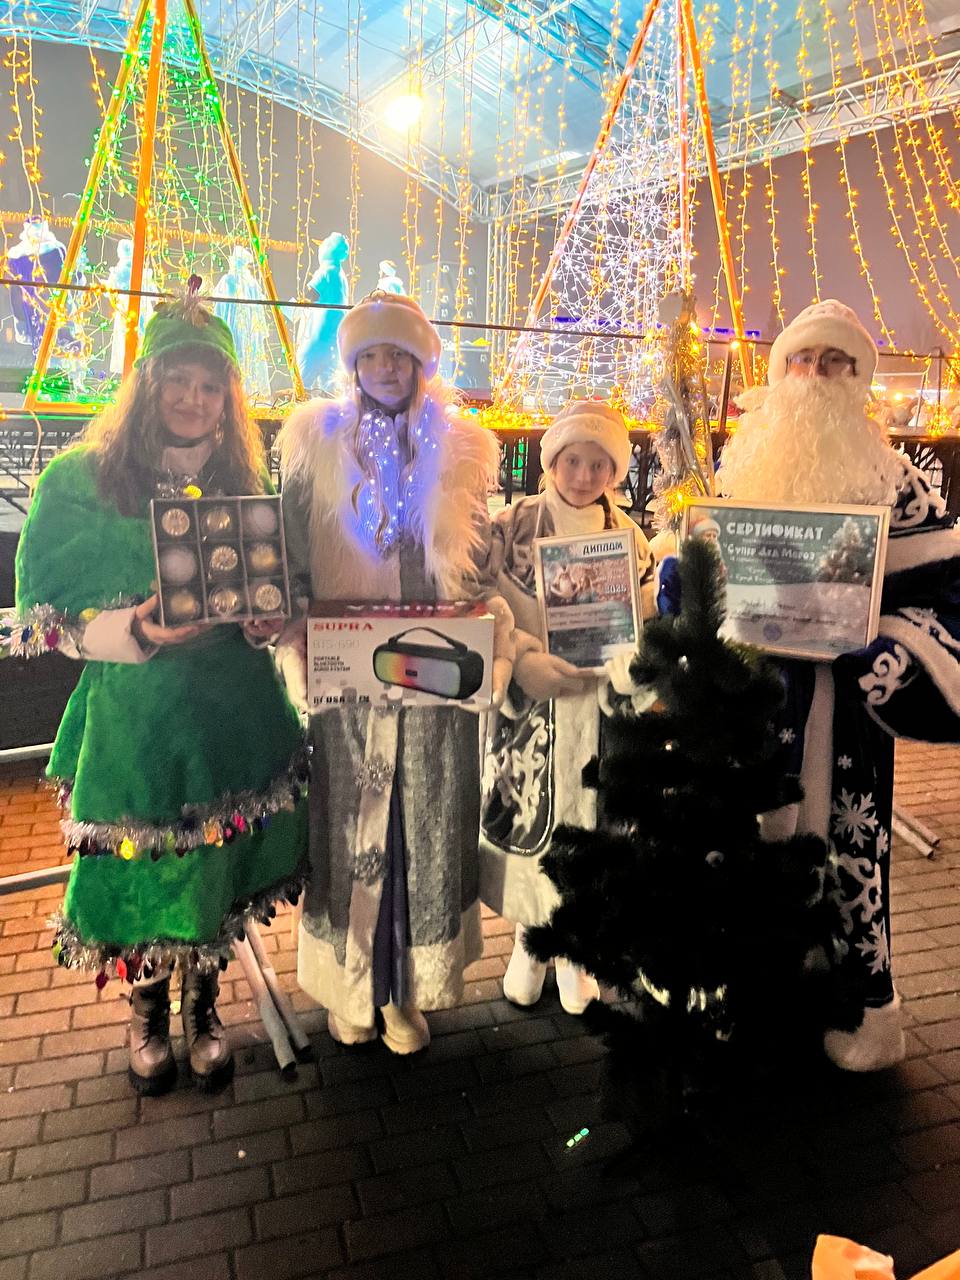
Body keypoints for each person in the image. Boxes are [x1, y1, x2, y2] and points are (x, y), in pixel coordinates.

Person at [12, 291, 309, 1095]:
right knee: (142, 868)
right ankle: (146, 1010)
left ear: (227, 398)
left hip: (232, 716)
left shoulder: (243, 480)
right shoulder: (82, 483)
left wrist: (266, 623)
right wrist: (134, 628)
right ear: (147, 382)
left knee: (217, 867)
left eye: (209, 386)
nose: (193, 398)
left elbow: (271, 592)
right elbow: (48, 621)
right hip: (136, 721)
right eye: (178, 379)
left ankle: (202, 1006)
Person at [680, 298, 960, 1071]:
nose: (816, 374)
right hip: (755, 699)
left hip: (846, 710)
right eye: (802, 359)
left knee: (848, 847)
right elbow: (710, 569)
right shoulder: (743, 466)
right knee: (747, 839)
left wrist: (886, 649)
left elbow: (945, 592)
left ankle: (860, 1007)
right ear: (780, 372)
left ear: (858, 377)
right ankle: (745, 992)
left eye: (836, 361)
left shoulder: (898, 481)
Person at [276, 290, 513, 1054]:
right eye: (371, 355)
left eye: (398, 356)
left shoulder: (461, 452)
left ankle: (404, 992)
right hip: (348, 678)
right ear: (353, 365)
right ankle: (351, 989)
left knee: (424, 830)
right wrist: (295, 641)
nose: (384, 369)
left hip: (434, 676)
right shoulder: (315, 447)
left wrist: (490, 636)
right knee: (348, 830)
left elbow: (479, 565)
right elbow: (291, 561)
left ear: (419, 364)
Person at [478, 400, 657, 1013]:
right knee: (532, 830)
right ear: (551, 461)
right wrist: (520, 659)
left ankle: (577, 952)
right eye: (572, 460)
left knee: (589, 833)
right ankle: (530, 943)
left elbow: (647, 620)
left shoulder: (629, 538)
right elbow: (479, 604)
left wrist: (628, 669)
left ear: (615, 471)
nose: (583, 476)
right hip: (531, 712)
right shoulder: (510, 528)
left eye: (598, 464)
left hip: (598, 713)